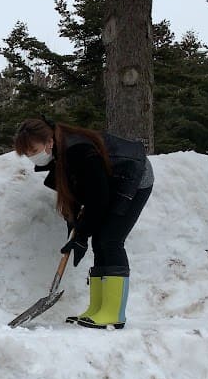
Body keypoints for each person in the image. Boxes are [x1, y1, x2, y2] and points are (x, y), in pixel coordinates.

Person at [13, 117, 153, 329]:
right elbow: (78, 197)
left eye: (34, 150)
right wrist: (76, 232)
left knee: (110, 239)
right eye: (27, 154)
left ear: (49, 141)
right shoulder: (59, 156)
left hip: (132, 175)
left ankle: (113, 312)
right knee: (99, 240)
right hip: (108, 182)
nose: (32, 157)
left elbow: (98, 199)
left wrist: (81, 235)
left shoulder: (78, 150)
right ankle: (97, 308)